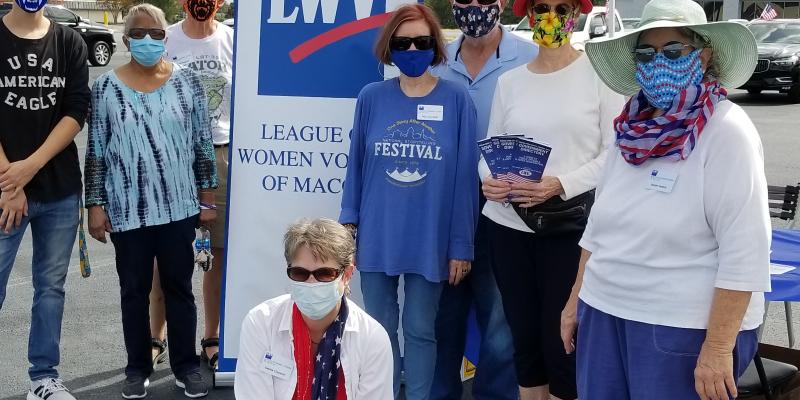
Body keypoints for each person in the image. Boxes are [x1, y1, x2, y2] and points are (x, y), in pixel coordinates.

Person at [560, 0, 770, 399]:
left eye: (673, 51)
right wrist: (575, 302)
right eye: (646, 53)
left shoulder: (727, 131)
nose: (658, 62)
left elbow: (746, 250)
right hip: (603, 309)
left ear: (703, 57)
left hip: (680, 325)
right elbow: (598, 228)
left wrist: (718, 348)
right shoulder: (629, 128)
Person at [479, 0, 624, 398]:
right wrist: (489, 179)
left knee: (564, 342)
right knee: (523, 342)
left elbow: (614, 153)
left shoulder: (600, 76)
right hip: (509, 226)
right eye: (542, 7)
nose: (551, 17)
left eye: (562, 8)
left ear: (577, 14)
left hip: (569, 227)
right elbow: (490, 148)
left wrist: (561, 183)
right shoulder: (510, 82)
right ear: (528, 13)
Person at [339, 4, 479, 398]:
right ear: (390, 47)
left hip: (430, 238)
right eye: (403, 43)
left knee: (420, 329)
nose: (413, 49)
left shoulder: (456, 99)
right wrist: (347, 231)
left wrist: (461, 246)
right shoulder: (371, 98)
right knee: (378, 330)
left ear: (435, 44)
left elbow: (466, 180)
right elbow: (356, 168)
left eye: (421, 41)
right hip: (377, 234)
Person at [84, 4, 218, 399]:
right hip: (126, 210)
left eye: (156, 34)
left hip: (179, 207)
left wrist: (207, 199)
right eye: (138, 34)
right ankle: (136, 367)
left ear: (165, 38)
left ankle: (186, 367)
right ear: (126, 41)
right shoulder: (105, 88)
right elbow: (96, 150)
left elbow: (202, 144)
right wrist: (95, 204)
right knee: (134, 290)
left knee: (179, 287)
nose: (147, 40)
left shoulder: (188, 82)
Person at [430, 0, 537, 397]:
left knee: (500, 321)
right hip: (443, 205)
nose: (475, 6)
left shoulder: (530, 57)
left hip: (504, 203)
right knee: (442, 316)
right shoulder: (434, 59)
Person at [0, 0, 89, 398]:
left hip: (59, 190)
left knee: (50, 289)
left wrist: (28, 169)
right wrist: (10, 183)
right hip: (4, 191)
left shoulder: (69, 42)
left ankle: (44, 378)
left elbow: (76, 111)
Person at [149, 0, 234, 370]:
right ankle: (156, 335)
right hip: (173, 157)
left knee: (215, 254)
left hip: (221, 154)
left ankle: (212, 336)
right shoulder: (164, 39)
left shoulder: (233, 41)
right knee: (163, 254)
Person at [234, 218, 393, 399]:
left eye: (324, 274)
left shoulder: (372, 339)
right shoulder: (260, 323)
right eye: (300, 273)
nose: (311, 283)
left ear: (347, 275)